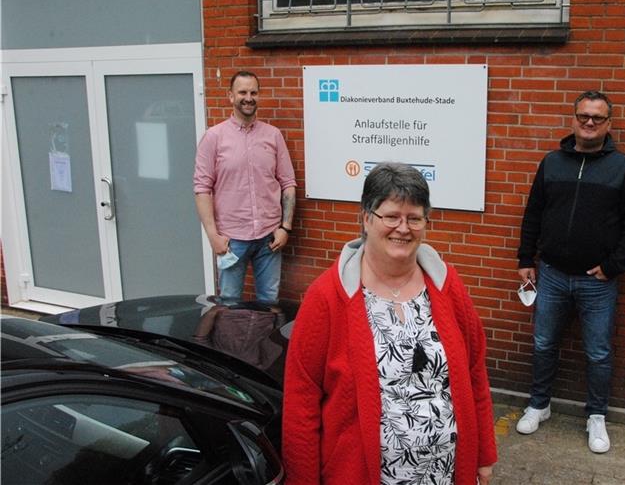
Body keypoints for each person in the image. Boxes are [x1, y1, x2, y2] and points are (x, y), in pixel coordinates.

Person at [282, 162, 497, 485]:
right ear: (367, 218)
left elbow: (474, 374)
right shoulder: (327, 298)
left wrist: (484, 455)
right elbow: (301, 404)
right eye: (391, 216)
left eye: (414, 218)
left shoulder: (446, 286)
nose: (403, 228)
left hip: (444, 474)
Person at [515, 90, 625, 454]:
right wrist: (526, 259)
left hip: (597, 281)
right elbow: (534, 214)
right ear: (573, 119)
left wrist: (612, 267)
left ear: (609, 124)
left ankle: (597, 417)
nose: (589, 123)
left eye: (597, 118)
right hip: (553, 273)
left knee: (598, 352)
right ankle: (539, 405)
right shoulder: (552, 162)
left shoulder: (622, 167)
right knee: (543, 343)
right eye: (583, 116)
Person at [193, 70, 296, 303]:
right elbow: (202, 188)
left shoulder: (273, 136)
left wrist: (285, 228)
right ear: (230, 96)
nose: (248, 97)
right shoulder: (213, 137)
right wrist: (212, 235)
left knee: (269, 301)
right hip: (231, 239)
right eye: (242, 92)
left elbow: (288, 183)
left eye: (253, 92)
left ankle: (263, 342)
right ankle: (231, 342)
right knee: (229, 302)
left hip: (269, 237)